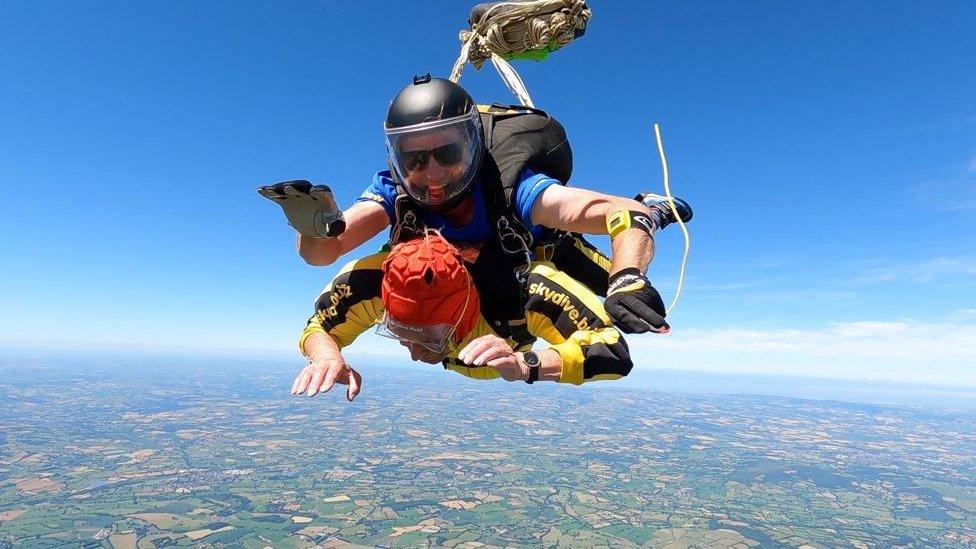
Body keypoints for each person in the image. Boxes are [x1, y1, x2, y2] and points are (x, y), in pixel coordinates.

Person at [261, 75, 692, 337]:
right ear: (395, 157)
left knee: (623, 304)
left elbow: (619, 217)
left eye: (447, 153)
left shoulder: (513, 186)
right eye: (413, 158)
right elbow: (325, 253)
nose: (430, 171)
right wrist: (312, 225)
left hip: (543, 254)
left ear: (473, 146)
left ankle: (655, 204)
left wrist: (629, 275)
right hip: (467, 277)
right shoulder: (395, 191)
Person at [291, 232, 633, 401]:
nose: (414, 353)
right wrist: (327, 356)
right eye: (398, 332)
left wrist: (527, 364)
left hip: (541, 252)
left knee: (629, 296)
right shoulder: (373, 282)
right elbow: (320, 326)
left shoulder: (528, 290)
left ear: (464, 316)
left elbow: (614, 352)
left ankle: (647, 213)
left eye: (430, 339)